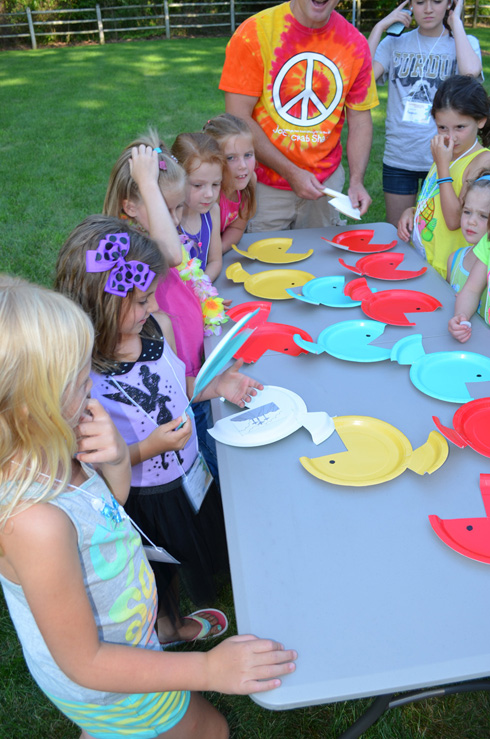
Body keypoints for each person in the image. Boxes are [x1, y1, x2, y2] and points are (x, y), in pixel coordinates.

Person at [0, 275, 296, 739]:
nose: (92, 396)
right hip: (109, 686)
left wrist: (117, 458)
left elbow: (109, 509)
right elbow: (87, 662)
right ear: (29, 411)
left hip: (127, 643)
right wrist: (208, 671)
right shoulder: (32, 524)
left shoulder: (51, 452)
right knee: (211, 730)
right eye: (80, 386)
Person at [54, 215, 263, 648]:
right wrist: (150, 446)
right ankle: (170, 628)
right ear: (103, 303)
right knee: (160, 569)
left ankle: (211, 583)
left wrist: (216, 385)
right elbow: (92, 462)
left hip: (189, 471)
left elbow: (172, 386)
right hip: (147, 495)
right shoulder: (82, 378)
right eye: (143, 299)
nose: (153, 307)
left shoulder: (156, 328)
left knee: (203, 536)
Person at [103, 135, 225, 481]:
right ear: (130, 207)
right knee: (197, 454)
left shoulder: (160, 234)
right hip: (172, 381)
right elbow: (170, 256)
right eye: (164, 208)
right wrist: (146, 181)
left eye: (178, 208)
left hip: (189, 370)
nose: (174, 220)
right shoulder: (132, 247)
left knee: (204, 444)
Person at [219, 0, 379, 232]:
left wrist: (356, 181)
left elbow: (361, 121)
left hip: (326, 186)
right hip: (263, 184)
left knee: (321, 264)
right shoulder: (254, 33)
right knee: (265, 264)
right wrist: (290, 172)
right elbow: (237, 117)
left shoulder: (355, 44)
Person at [368, 0, 482, 227]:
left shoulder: (464, 43)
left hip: (448, 157)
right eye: (420, 2)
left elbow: (470, 72)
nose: (428, 9)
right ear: (410, 5)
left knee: (438, 232)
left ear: (450, 4)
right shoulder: (393, 43)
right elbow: (363, 79)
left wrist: (455, 22)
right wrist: (379, 28)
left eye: (437, 2)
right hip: (401, 156)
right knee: (398, 234)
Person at [398, 75, 490, 279]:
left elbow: (454, 219)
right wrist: (412, 211)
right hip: (424, 260)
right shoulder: (446, 153)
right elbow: (436, 198)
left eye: (460, 127)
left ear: (481, 121)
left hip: (447, 271)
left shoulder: (481, 162)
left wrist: (442, 167)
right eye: (442, 127)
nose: (450, 137)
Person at [171, 132, 225, 282]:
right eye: (198, 185)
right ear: (177, 179)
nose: (209, 194)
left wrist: (203, 286)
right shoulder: (167, 219)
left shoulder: (212, 212)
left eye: (215, 184)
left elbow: (215, 261)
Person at [203, 114, 257, 252]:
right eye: (231, 158)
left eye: (248, 155)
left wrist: (219, 250)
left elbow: (237, 227)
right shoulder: (206, 192)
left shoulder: (250, 181)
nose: (243, 166)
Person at [448, 176, 490, 342]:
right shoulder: (487, 245)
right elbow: (472, 289)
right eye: (467, 212)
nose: (472, 221)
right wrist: (461, 316)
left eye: (483, 216)